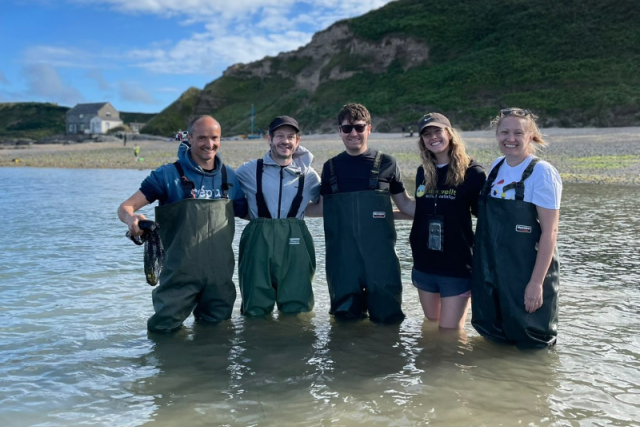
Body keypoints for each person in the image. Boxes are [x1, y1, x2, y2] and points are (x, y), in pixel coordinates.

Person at [118, 115, 248, 332]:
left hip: (220, 278)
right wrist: (132, 219)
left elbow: (251, 214)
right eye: (202, 138)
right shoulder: (167, 175)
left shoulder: (231, 177)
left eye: (214, 138)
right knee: (163, 331)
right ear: (189, 138)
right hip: (178, 274)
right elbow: (125, 207)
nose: (209, 144)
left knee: (218, 334)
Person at [312, 103, 414, 323]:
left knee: (388, 320)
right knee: (344, 323)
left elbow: (405, 204)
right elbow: (322, 208)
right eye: (347, 128)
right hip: (343, 263)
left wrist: (441, 207)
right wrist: (284, 210)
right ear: (339, 131)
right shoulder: (330, 167)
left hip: (381, 260)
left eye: (359, 127)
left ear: (369, 128)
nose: (353, 133)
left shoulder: (388, 163)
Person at [471, 108, 562, 348]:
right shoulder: (497, 166)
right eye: (504, 132)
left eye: (517, 133)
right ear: (497, 135)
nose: (510, 138)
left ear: (531, 136)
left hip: (526, 273)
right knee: (494, 339)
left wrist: (536, 283)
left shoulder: (542, 172)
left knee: (532, 343)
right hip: (494, 272)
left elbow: (550, 233)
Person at [401, 113, 486, 329]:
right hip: (424, 263)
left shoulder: (473, 172)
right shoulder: (423, 172)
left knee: (450, 334)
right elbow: (420, 210)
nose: (433, 137)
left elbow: (486, 219)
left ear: (449, 133)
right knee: (431, 324)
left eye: (437, 131)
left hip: (456, 265)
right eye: (427, 134)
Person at [235, 116, 321, 316]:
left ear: (297, 141)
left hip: (296, 243)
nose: (286, 141)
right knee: (254, 309)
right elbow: (224, 197)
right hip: (257, 242)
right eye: (280, 136)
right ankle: (257, 345)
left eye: (291, 136)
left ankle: (296, 344)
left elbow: (323, 207)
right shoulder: (247, 171)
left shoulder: (309, 176)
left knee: (297, 310)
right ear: (269, 139)